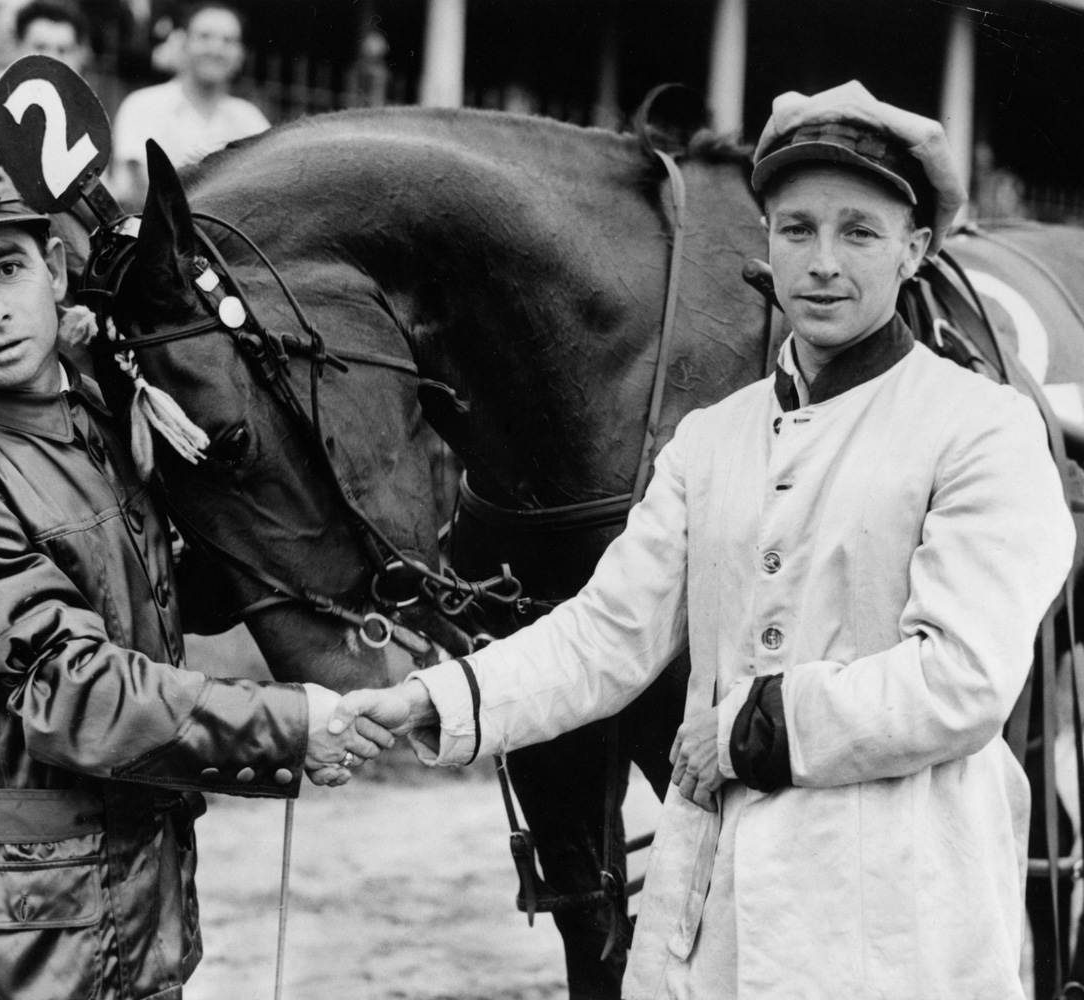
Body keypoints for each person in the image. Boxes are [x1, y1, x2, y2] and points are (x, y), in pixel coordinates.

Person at [333, 81, 1077, 998]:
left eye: (861, 231)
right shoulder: (713, 438)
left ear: (915, 250)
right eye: (797, 228)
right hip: (717, 921)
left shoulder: (981, 429)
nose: (823, 263)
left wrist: (743, 731)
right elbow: (605, 635)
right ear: (765, 239)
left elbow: (960, 682)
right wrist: (431, 700)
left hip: (899, 919)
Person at [0, 114, 387, 1000]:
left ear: (54, 271)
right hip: (9, 950)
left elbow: (163, 587)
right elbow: (80, 695)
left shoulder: (96, 419)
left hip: (135, 909)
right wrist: (285, 721)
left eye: (10, 266)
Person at [108, 1, 268, 207]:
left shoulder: (250, 120)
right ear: (183, 43)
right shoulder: (143, 105)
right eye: (204, 37)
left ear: (240, 54)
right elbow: (140, 189)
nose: (216, 49)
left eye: (228, 41)